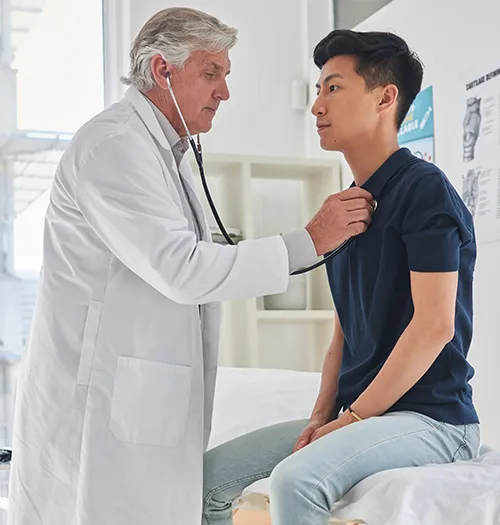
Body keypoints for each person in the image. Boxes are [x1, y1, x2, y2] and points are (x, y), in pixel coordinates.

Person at [7, 9, 374, 525]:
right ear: (163, 71)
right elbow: (183, 269)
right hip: (97, 413)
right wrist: (310, 241)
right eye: (211, 73)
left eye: (225, 75)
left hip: (141, 404)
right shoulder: (113, 146)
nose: (224, 91)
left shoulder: (167, 152)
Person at [203, 29, 480, 525]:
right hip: (360, 414)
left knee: (296, 480)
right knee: (207, 481)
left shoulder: (424, 190)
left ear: (385, 98)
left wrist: (352, 419)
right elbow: (344, 331)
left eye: (333, 88)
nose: (316, 106)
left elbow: (435, 325)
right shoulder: (346, 205)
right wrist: (320, 416)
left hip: (433, 419)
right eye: (316, 91)